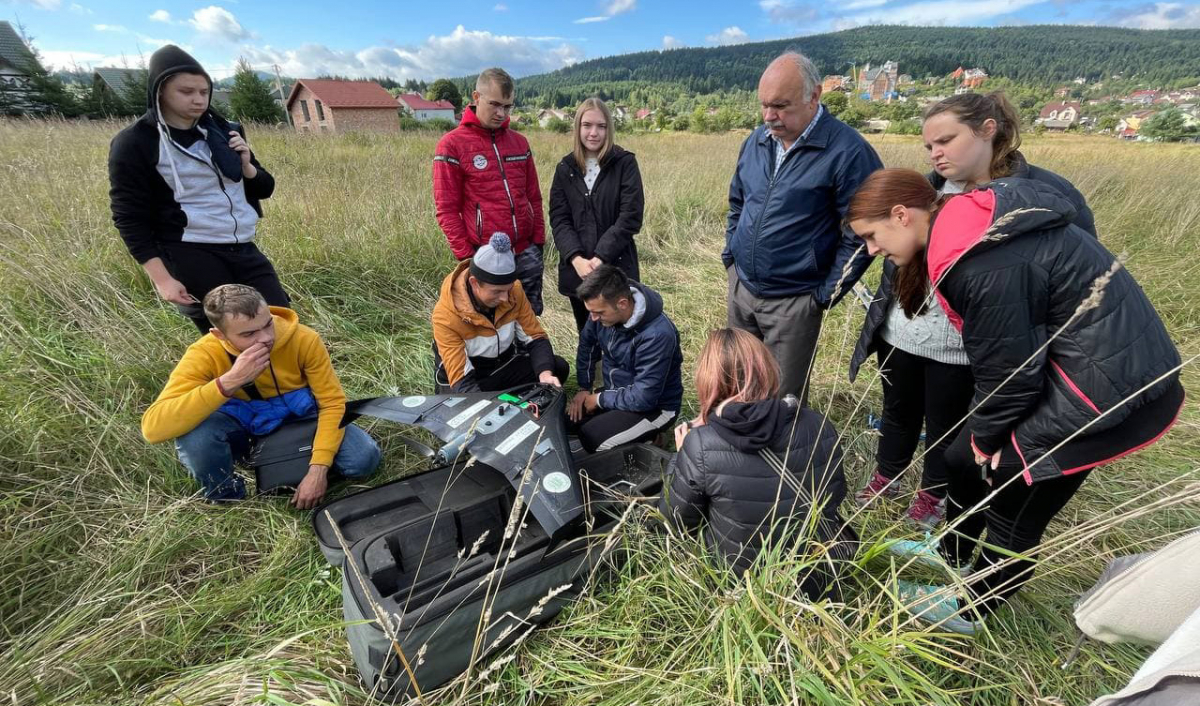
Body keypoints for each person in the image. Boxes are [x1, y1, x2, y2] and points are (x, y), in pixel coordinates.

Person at [845, 168, 1184, 635]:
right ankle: (952, 552)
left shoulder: (978, 261)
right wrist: (979, 443)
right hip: (1072, 369)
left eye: (871, 236)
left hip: (1104, 394)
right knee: (959, 458)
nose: (871, 250)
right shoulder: (963, 229)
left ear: (902, 216)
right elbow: (1009, 360)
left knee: (1015, 506)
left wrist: (991, 440)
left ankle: (969, 611)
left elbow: (1011, 373)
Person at [849, 92, 1097, 528]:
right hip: (901, 332)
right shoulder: (926, 190)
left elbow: (1071, 272)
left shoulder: (1038, 195)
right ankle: (886, 477)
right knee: (898, 410)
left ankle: (932, 495)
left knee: (948, 425)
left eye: (946, 139)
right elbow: (894, 258)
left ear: (988, 129)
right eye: (929, 146)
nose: (937, 152)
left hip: (963, 347)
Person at [724, 50, 883, 402]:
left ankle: (779, 458)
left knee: (783, 400)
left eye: (780, 105)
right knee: (739, 384)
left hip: (794, 301)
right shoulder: (756, 141)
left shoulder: (848, 152)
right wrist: (730, 259)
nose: (769, 116)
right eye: (764, 105)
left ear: (814, 96)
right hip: (743, 290)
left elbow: (865, 230)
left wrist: (824, 294)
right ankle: (734, 453)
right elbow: (738, 201)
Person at [141, 285, 381, 507]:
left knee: (363, 460)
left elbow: (331, 404)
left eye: (268, 324)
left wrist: (318, 469)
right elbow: (153, 428)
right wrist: (230, 381)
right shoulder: (204, 354)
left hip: (301, 415)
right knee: (196, 438)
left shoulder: (303, 339)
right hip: (242, 422)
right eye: (249, 334)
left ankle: (297, 468)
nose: (265, 338)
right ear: (220, 335)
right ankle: (228, 497)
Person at [109, 44, 287, 333]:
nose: (198, 100)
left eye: (204, 92)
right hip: (190, 251)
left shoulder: (224, 131)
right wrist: (163, 279)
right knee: (232, 337)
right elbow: (129, 217)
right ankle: (238, 380)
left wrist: (246, 165)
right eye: (186, 92)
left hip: (243, 245)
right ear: (160, 91)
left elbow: (264, 188)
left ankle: (285, 378)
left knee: (278, 321)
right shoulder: (135, 142)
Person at [659, 328, 854, 593]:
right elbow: (835, 494)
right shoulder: (817, 423)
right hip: (815, 576)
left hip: (740, 585)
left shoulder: (700, 445)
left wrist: (681, 456)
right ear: (767, 369)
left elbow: (676, 522)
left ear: (707, 380)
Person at [433, 67, 547, 314]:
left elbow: (534, 197)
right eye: (495, 104)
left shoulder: (519, 142)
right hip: (486, 257)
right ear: (476, 97)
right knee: (492, 327)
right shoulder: (452, 145)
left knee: (530, 319)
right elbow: (446, 210)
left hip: (526, 252)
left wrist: (537, 242)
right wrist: (467, 258)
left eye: (507, 107)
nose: (501, 113)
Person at [549, 97, 645, 332]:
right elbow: (559, 219)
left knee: (623, 335)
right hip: (578, 272)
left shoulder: (624, 164)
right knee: (588, 336)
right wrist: (577, 259)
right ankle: (591, 371)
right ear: (578, 127)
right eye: (587, 125)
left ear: (609, 129)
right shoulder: (565, 169)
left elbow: (630, 216)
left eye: (601, 126)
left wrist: (600, 259)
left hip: (617, 268)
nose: (594, 133)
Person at [432, 233, 569, 393]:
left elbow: (536, 337)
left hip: (500, 367)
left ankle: (516, 401)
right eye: (497, 292)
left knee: (557, 368)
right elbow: (462, 382)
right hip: (462, 381)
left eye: (508, 289)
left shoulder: (515, 291)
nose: (505, 298)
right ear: (474, 283)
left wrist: (545, 374)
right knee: (475, 412)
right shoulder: (445, 316)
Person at [569, 265, 683, 453]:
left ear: (622, 303)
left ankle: (650, 440)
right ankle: (627, 430)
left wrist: (599, 399)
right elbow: (587, 345)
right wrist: (584, 387)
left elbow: (644, 397)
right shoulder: (600, 312)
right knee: (568, 423)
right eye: (591, 312)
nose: (593, 318)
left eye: (599, 313)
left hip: (655, 407)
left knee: (593, 439)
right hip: (617, 392)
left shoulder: (657, 335)